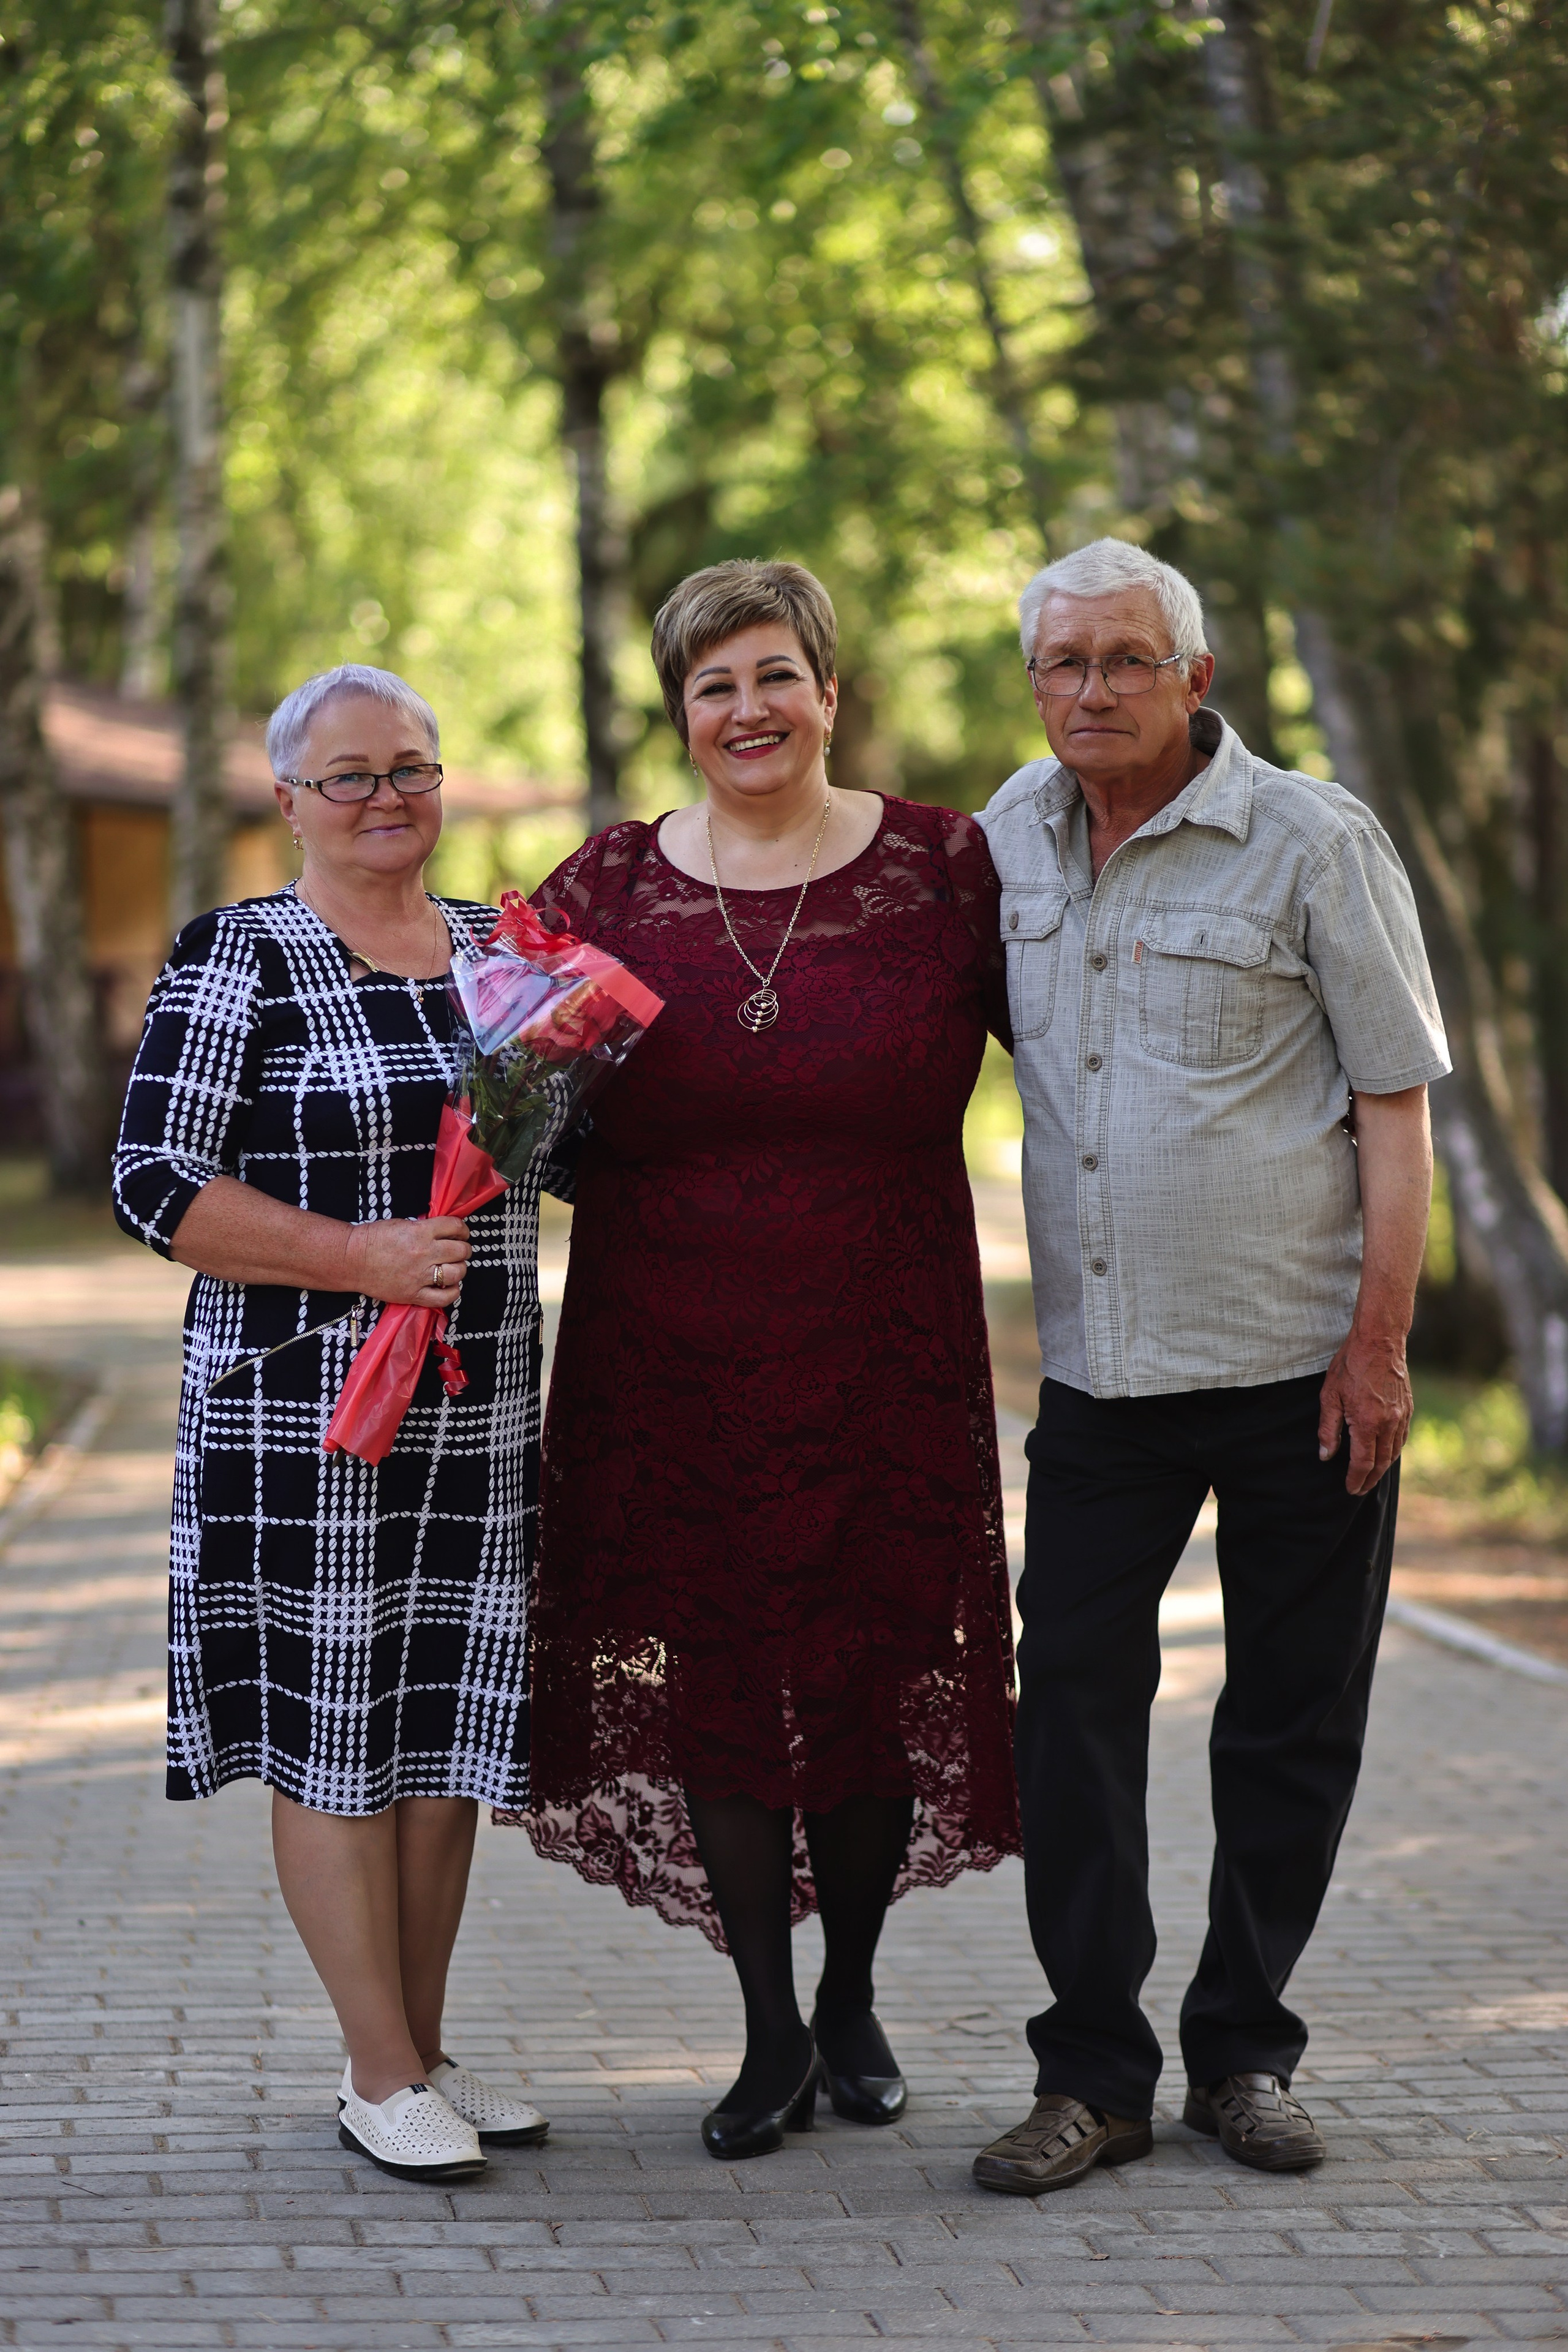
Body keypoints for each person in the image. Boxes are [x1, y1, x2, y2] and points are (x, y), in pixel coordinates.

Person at [507, 559, 1020, 2158]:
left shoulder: (945, 869)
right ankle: (769, 2031)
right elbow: (514, 1124)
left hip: (888, 1348)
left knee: (873, 1665)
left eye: (773, 675)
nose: (748, 709)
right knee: (720, 1671)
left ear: (829, 690)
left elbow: (1087, 1060)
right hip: (668, 1359)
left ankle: (851, 1996)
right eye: (713, 685)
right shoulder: (604, 888)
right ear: (681, 712)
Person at [972, 540, 1450, 2195]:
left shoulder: (1312, 840)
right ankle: (1092, 2074)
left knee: (1288, 1724)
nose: (1090, 689)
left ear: (1197, 678)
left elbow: (1393, 1104)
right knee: (1068, 1714)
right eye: (1062, 663)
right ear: (1033, 683)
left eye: (1125, 659)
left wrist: (1378, 1347)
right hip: (1100, 1381)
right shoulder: (1005, 838)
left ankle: (1246, 2056)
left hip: (1298, 1367)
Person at [113, 663, 553, 2184]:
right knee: (334, 1732)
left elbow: (560, 1155)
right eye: (350, 775)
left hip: (478, 1399)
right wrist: (358, 1256)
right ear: (289, 800)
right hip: (304, 1412)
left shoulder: (504, 955)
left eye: (410, 768)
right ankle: (376, 2070)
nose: (386, 798)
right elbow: (154, 1184)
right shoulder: (240, 955)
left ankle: (419, 2052)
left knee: (443, 1729)